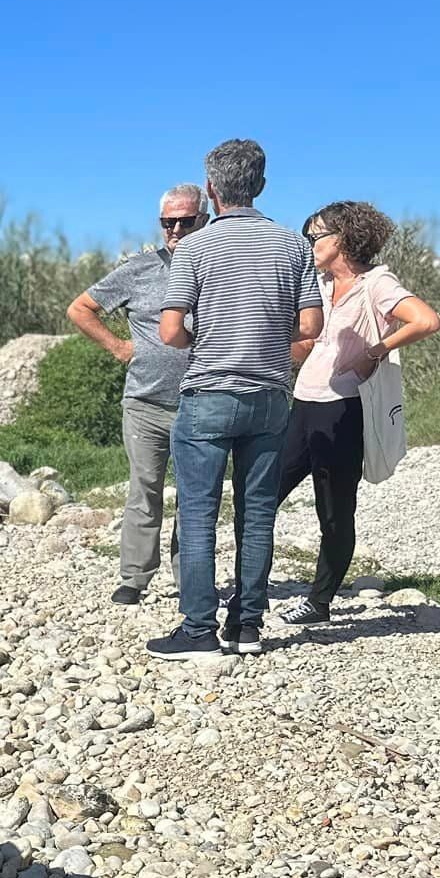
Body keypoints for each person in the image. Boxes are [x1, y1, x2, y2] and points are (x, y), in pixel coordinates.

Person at [151, 138, 323, 659]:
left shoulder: (194, 248)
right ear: (261, 185)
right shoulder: (294, 245)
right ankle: (247, 625)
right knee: (258, 513)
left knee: (199, 513)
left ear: (210, 189)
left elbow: (169, 331)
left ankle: (198, 629)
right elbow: (311, 327)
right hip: (269, 394)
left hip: (208, 392)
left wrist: (205, 338)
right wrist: (266, 342)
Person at [277, 201, 440, 625]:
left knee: (334, 511)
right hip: (303, 404)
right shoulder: (317, 284)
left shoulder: (376, 283)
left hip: (345, 409)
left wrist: (374, 351)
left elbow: (426, 321)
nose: (308, 243)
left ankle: (318, 602)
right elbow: (308, 347)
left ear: (343, 238)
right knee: (261, 496)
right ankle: (249, 592)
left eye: (314, 236)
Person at [67, 183, 208, 606]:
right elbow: (80, 308)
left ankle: (191, 581)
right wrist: (118, 347)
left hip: (201, 401)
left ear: (204, 220)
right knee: (144, 490)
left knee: (195, 497)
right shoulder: (140, 269)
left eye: (185, 221)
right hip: (145, 403)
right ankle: (134, 577)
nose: (176, 230)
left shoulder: (218, 268)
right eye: (168, 222)